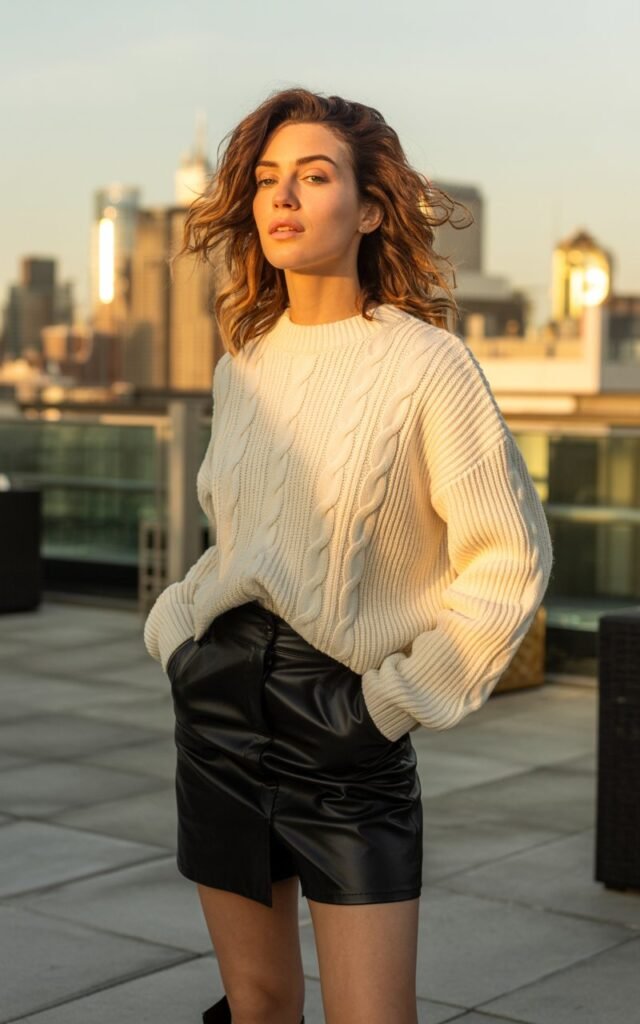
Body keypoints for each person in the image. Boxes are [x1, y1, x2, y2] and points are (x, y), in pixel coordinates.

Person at [143, 87, 553, 1024]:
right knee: (257, 1004)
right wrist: (176, 635)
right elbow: (232, 540)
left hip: (346, 722)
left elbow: (506, 559)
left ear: (369, 209)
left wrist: (391, 703)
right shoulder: (242, 363)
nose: (282, 197)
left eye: (314, 176)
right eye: (267, 180)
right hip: (219, 708)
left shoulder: (426, 365)